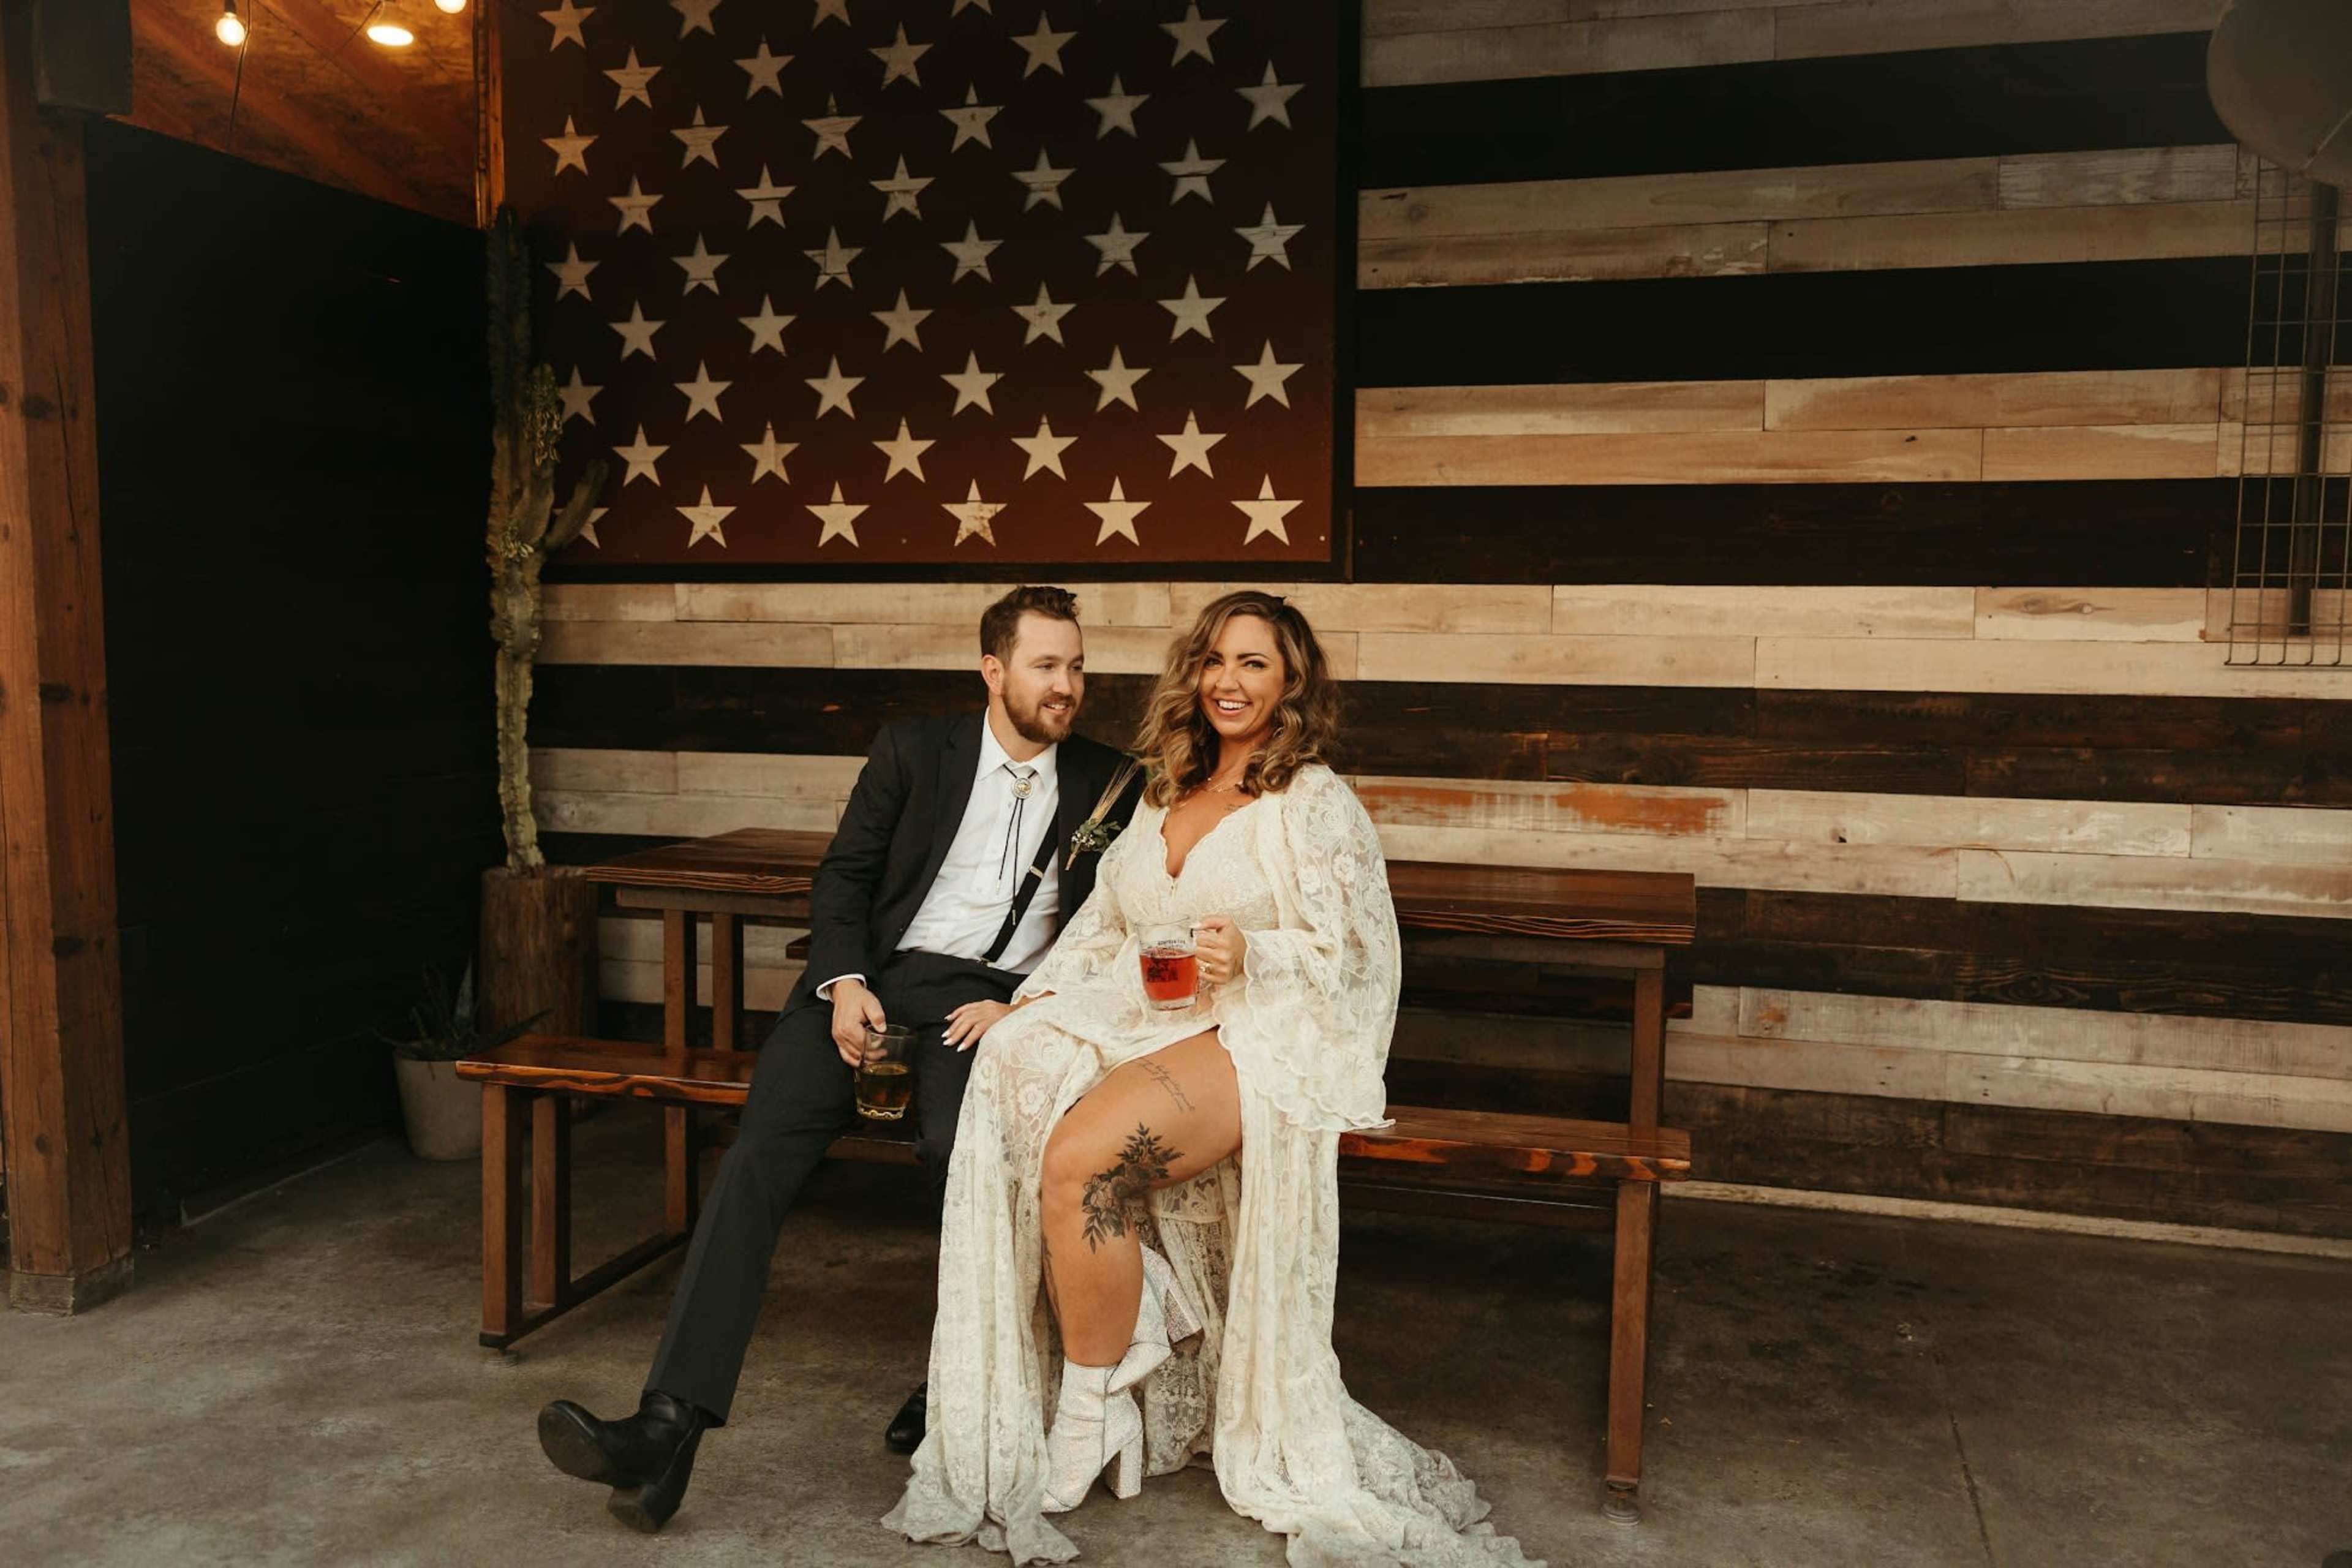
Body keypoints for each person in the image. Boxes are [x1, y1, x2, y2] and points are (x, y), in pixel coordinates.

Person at [886, 591, 1539, 1566]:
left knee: (1078, 1163)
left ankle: (1089, 1416)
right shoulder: (1163, 791)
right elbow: (1102, 927)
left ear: (1291, 684)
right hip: (1155, 1022)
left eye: (1254, 665)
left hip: (1260, 1033)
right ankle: (1125, 1356)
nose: (1229, 682)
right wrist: (1024, 1003)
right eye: (1216, 661)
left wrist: (1257, 956)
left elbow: (1362, 954)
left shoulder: (1311, 800)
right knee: (1023, 1088)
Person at [535, 586, 1144, 1534]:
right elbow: (846, 876)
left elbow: (1115, 925)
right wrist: (845, 983)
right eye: (1044, 666)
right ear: (993, 670)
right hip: (877, 987)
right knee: (754, 1157)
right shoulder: (913, 750)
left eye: (1075, 666)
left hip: (989, 1008)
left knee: (965, 1163)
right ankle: (667, 1426)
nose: (1066, 685)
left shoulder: (1111, 780)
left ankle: (957, 1385)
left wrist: (1029, 1005)